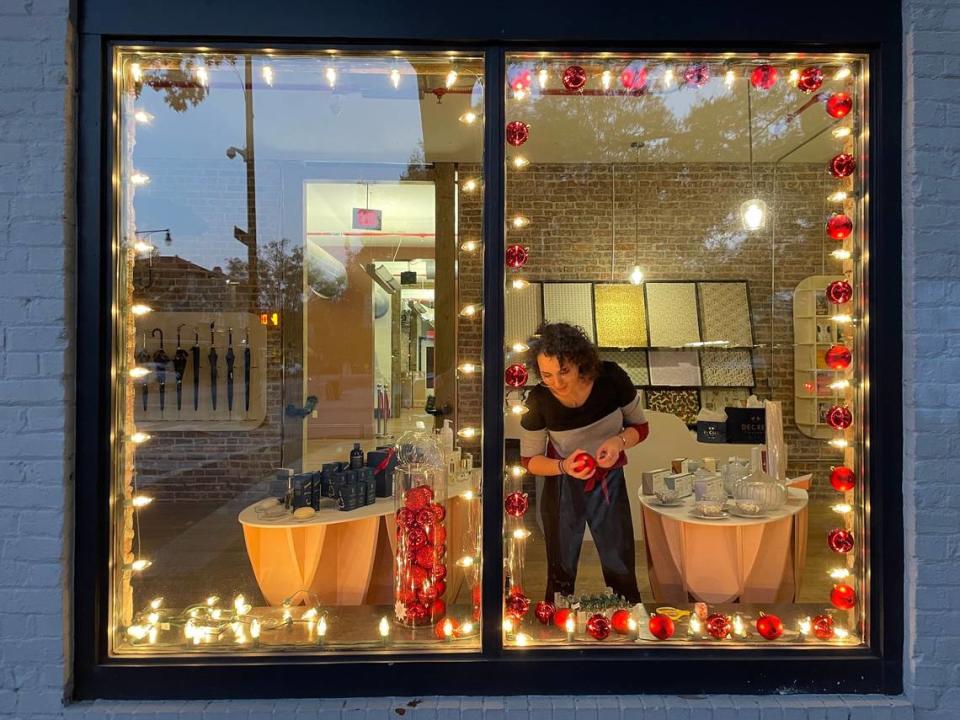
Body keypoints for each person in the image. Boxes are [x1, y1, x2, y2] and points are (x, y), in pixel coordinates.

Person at [519, 322, 649, 604]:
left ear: (580, 361)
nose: (557, 383)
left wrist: (619, 442)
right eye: (547, 375)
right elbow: (530, 461)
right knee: (560, 566)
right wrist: (564, 466)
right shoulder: (539, 400)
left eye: (563, 371)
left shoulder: (611, 379)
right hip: (562, 483)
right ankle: (556, 624)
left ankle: (627, 619)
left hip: (609, 481)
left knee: (620, 562)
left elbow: (640, 427)